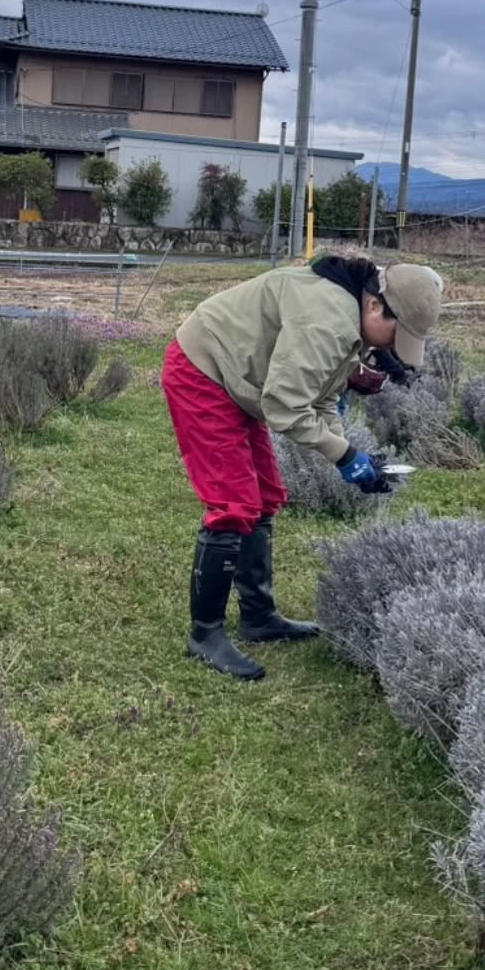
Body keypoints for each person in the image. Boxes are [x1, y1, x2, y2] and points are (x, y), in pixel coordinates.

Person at [162, 254, 443, 681]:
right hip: (204, 370)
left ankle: (258, 617)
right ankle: (206, 634)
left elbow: (323, 398)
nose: (391, 347)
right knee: (233, 503)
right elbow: (284, 407)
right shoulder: (327, 321)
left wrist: (349, 452)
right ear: (375, 305)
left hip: (241, 379)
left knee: (265, 495)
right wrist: (344, 456)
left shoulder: (351, 315)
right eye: (396, 332)